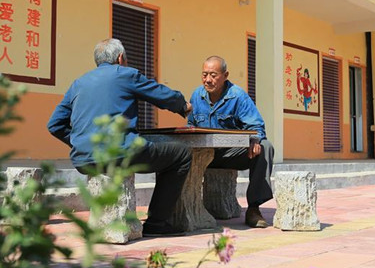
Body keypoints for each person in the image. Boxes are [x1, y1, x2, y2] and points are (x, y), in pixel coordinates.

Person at [47, 38, 193, 237]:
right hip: (120, 154)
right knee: (181, 155)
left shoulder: (78, 83)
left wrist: (80, 143)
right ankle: (157, 223)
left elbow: (54, 125)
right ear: (120, 57)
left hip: (83, 160)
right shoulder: (125, 74)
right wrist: (182, 105)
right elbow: (160, 94)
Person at [187, 55, 274, 228]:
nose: (208, 80)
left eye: (213, 75)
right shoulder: (197, 95)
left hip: (229, 154)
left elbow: (256, 124)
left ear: (225, 75)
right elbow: (191, 124)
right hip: (202, 155)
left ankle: (254, 208)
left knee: (265, 147)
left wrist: (255, 139)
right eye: (204, 75)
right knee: (174, 151)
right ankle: (179, 208)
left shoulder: (238, 96)